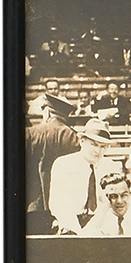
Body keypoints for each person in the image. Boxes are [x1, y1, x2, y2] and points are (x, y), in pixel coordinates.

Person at [48, 118, 118, 235]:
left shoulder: (111, 167)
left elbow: (113, 205)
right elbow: (58, 204)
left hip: (101, 226)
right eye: (94, 145)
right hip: (70, 225)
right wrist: (79, 234)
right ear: (82, 141)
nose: (98, 151)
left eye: (103, 147)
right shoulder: (63, 164)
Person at [25, 93, 80, 233]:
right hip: (63, 203)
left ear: (47, 112)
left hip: (33, 202)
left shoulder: (30, 133)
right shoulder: (72, 135)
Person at [81, 171, 131, 236]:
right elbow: (83, 240)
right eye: (113, 196)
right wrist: (103, 208)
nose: (119, 201)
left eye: (124, 195)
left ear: (130, 194)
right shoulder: (102, 216)